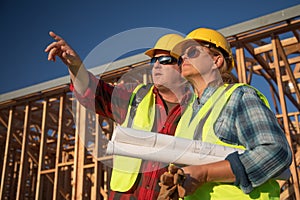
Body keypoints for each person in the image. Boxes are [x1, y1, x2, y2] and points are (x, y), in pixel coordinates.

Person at [45, 32, 192, 199]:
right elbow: (94, 93)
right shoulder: (137, 98)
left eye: (165, 61)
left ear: (183, 66)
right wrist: (76, 67)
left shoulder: (197, 109)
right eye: (154, 60)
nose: (156, 65)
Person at [159, 27, 292, 199]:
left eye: (192, 52)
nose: (183, 58)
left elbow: (276, 152)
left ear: (217, 60)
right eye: (180, 57)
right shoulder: (186, 118)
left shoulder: (238, 96)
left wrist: (205, 173)